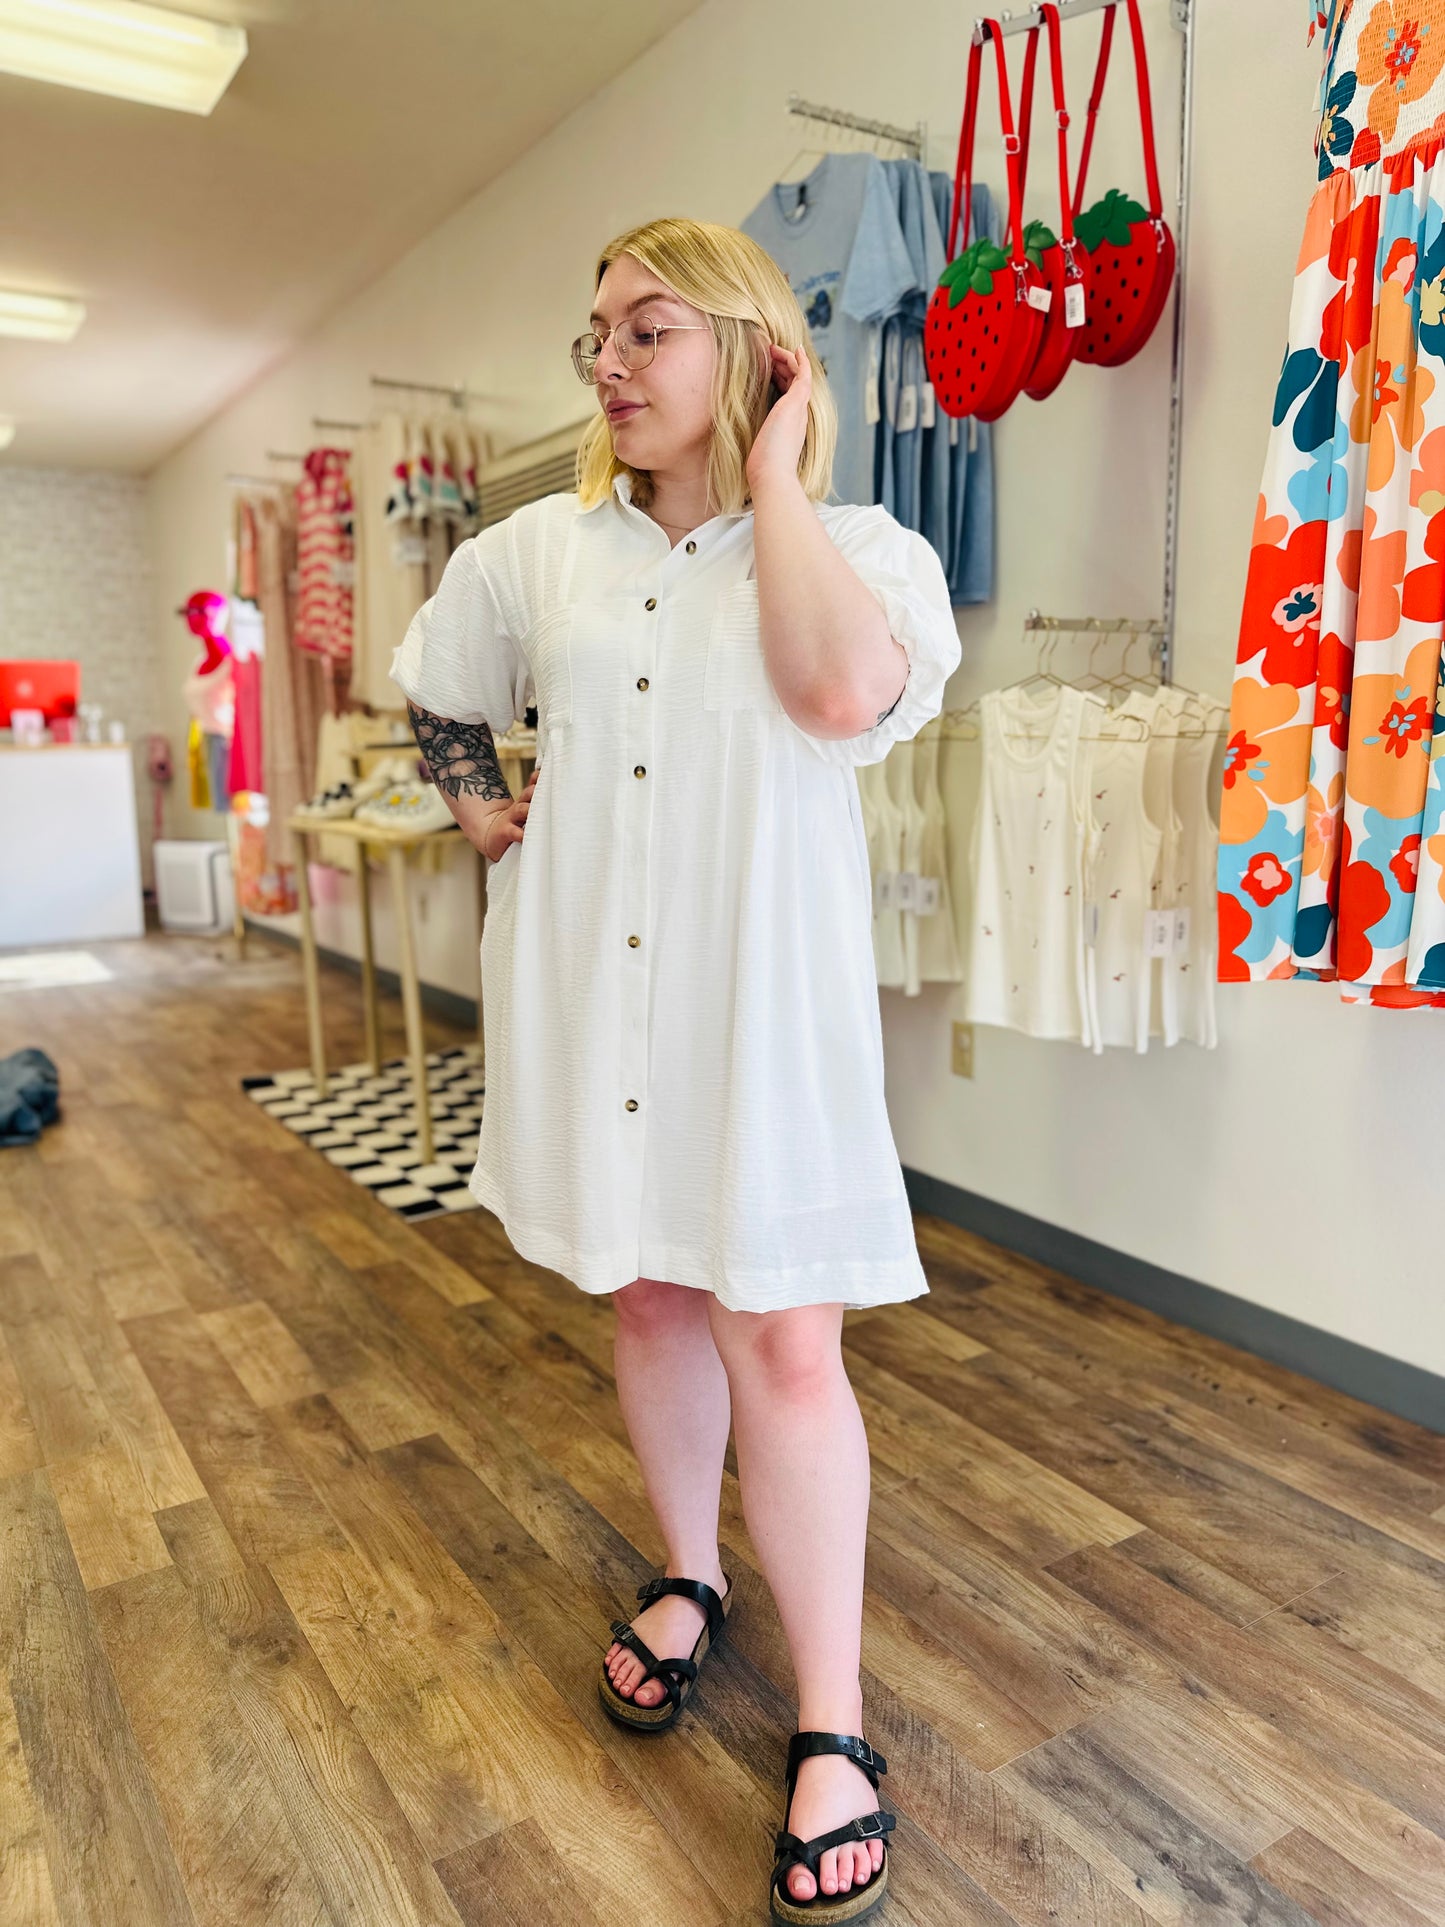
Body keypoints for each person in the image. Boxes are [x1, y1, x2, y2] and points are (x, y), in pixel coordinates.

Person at [390, 216, 962, 1923]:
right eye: (595, 337)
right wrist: (476, 804)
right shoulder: (537, 553)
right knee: (643, 1297)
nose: (609, 363)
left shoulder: (860, 548)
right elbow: (435, 684)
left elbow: (833, 688)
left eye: (648, 328)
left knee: (783, 1335)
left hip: (757, 1010)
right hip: (592, 1000)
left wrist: (776, 476)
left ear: (752, 347)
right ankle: (691, 1578)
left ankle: (834, 1729)